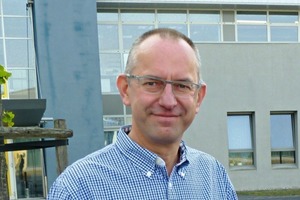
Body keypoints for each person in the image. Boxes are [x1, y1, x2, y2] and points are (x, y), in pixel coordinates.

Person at [47, 28, 238, 199]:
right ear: (125, 89)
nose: (168, 101)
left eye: (182, 85)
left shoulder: (214, 178)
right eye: (152, 83)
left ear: (198, 97)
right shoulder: (78, 190)